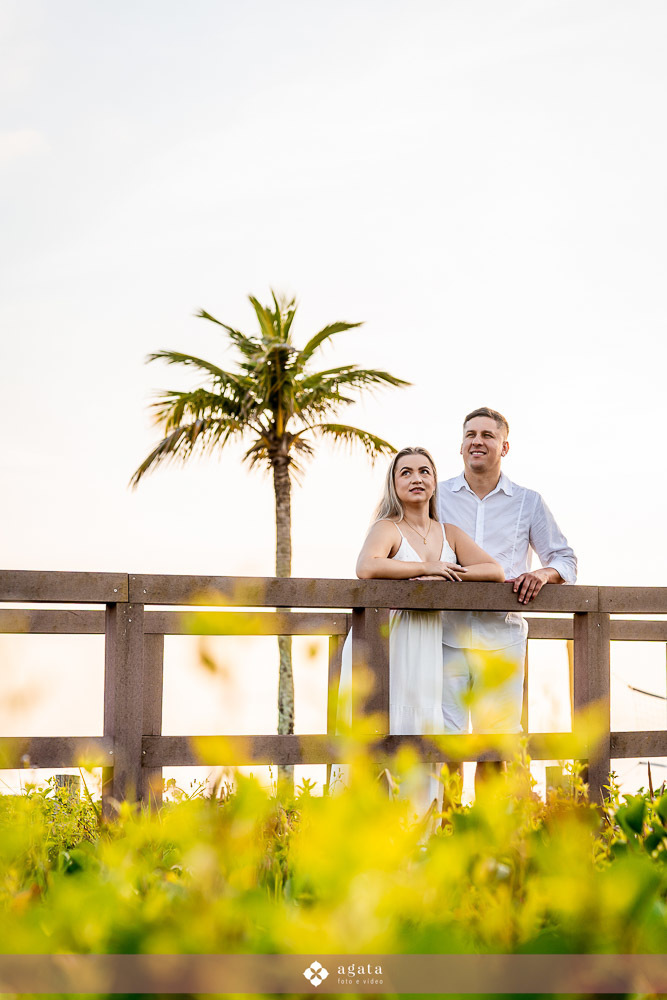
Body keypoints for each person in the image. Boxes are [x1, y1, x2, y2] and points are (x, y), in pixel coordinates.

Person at [334, 446, 503, 812]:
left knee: (423, 722)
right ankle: (367, 822)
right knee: (381, 721)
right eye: (406, 473)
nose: (416, 479)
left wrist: (449, 571)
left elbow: (494, 571)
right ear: (394, 485)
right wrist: (423, 571)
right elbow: (367, 566)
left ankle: (419, 829)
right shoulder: (387, 528)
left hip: (427, 641)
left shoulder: (450, 533)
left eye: (424, 472)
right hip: (387, 638)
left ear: (434, 482)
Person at [437, 407, 577, 787]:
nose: (477, 441)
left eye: (487, 435)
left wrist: (542, 574)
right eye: (470, 434)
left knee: (497, 741)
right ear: (460, 445)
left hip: (502, 636)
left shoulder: (528, 502)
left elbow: (565, 558)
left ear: (505, 446)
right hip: (444, 634)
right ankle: (446, 832)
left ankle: (489, 837)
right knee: (445, 738)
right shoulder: (437, 495)